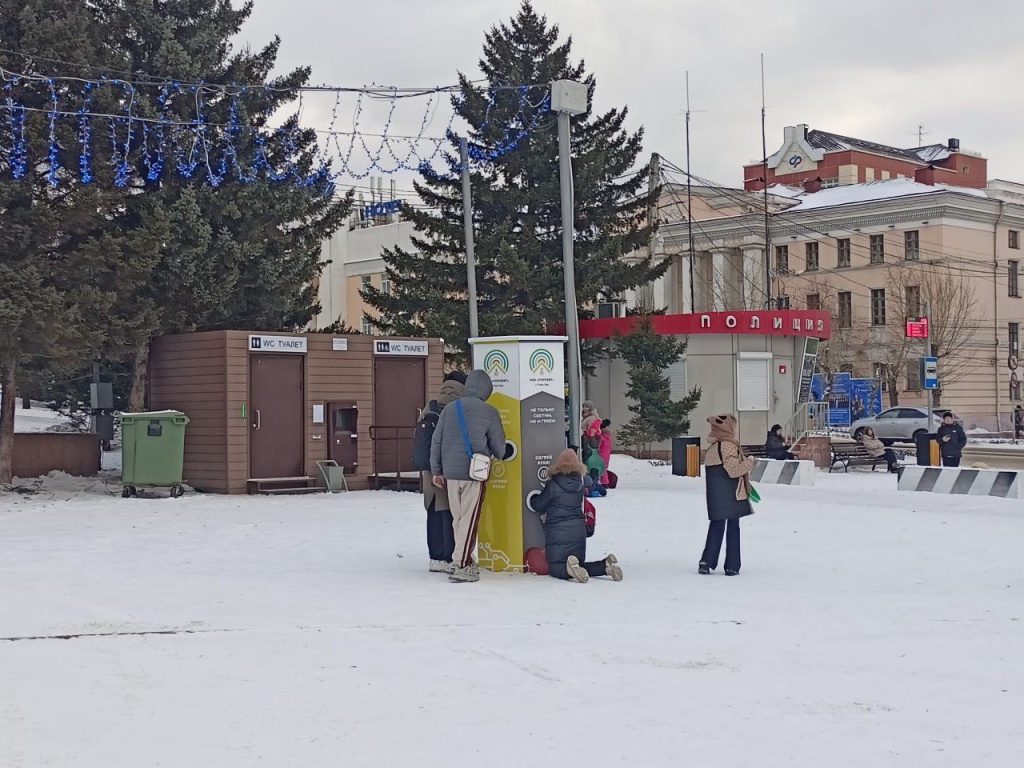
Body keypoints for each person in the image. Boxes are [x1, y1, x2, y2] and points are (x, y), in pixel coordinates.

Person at [430, 369, 507, 583]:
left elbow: (436, 440)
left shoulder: (450, 409)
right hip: (474, 473)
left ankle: (463, 558)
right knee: (470, 520)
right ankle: (461, 564)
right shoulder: (489, 411)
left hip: (450, 474)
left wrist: (436, 470)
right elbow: (499, 448)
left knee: (459, 519)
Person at [530, 449, 622, 583]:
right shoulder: (581, 482)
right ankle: (605, 566)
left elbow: (538, 505)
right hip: (578, 529)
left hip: (558, 530)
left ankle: (568, 569)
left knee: (556, 568)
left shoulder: (553, 485)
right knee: (579, 565)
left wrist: (532, 498)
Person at [416, 372, 465, 574]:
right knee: (452, 514)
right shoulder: (460, 406)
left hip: (429, 470)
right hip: (452, 468)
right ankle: (449, 555)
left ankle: (435, 557)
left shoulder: (432, 406)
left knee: (434, 512)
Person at [699, 415, 755, 576]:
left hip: (716, 495)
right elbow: (733, 471)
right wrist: (750, 461)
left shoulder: (712, 447)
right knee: (733, 528)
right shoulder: (728, 445)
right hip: (731, 493)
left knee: (716, 526)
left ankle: (707, 562)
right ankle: (732, 565)